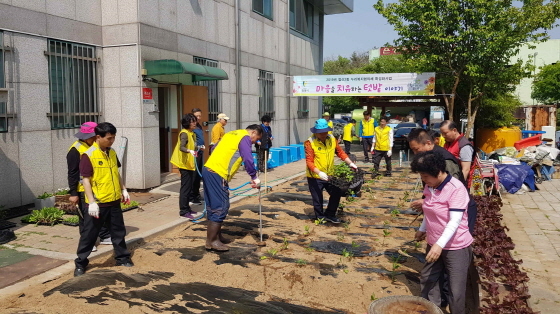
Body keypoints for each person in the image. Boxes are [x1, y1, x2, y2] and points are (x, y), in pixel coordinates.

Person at [411, 151, 473, 314]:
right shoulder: (430, 186)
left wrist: (439, 245)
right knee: (428, 279)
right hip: (434, 243)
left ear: (438, 172)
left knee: (456, 290)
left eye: (425, 176)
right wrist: (422, 229)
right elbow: (429, 208)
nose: (423, 180)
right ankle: (433, 309)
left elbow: (454, 221)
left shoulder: (456, 189)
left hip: (456, 246)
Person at [74, 122, 133, 277]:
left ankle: (122, 257)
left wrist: (124, 189)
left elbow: (116, 173)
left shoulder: (112, 152)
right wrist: (91, 201)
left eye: (113, 138)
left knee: (118, 232)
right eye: (109, 138)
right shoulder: (89, 155)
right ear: (98, 137)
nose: (111, 141)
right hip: (98, 204)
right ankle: (80, 263)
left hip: (113, 201)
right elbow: (86, 180)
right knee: (89, 234)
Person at [203, 124, 263, 251]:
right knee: (221, 206)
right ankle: (212, 241)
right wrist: (254, 176)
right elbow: (247, 158)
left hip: (208, 169)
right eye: (255, 139)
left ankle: (216, 236)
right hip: (218, 173)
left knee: (213, 206)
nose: (253, 142)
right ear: (253, 133)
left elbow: (214, 148)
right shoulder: (245, 138)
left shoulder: (232, 133)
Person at [67, 122, 111, 252]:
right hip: (82, 190)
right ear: (88, 137)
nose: (97, 138)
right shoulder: (75, 150)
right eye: (95, 136)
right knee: (86, 217)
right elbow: (72, 173)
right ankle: (88, 241)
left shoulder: (96, 147)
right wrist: (73, 192)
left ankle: (104, 235)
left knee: (100, 213)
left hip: (97, 187)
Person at [305, 119, 358, 224]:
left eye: (325, 132)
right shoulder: (310, 142)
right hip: (315, 176)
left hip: (330, 174)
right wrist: (319, 172)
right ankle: (319, 217)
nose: (323, 135)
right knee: (317, 198)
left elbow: (340, 152)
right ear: (316, 132)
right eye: (321, 133)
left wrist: (350, 163)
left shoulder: (332, 139)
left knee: (336, 192)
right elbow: (309, 161)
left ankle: (330, 214)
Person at [170, 114, 204, 220]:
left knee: (189, 187)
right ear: (187, 123)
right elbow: (182, 147)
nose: (194, 123)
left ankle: (187, 208)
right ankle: (183, 211)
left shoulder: (191, 133)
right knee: (185, 188)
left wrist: (198, 147)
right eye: (192, 121)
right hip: (184, 165)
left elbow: (192, 146)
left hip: (189, 164)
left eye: (195, 121)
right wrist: (190, 151)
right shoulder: (184, 133)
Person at [190, 108, 205, 206]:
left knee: (199, 174)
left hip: (200, 153)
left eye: (200, 115)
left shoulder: (199, 126)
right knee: (194, 175)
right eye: (197, 116)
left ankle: (197, 194)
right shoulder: (191, 127)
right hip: (194, 153)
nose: (198, 118)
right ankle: (192, 196)